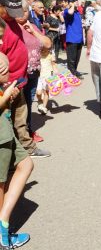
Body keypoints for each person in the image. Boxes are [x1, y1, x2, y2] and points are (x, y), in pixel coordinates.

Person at [0, 0, 50, 158]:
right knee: (6, 125)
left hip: (19, 80)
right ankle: (11, 158)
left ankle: (26, 149)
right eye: (9, 11)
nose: (14, 15)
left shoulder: (11, 21)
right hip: (6, 86)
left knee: (21, 121)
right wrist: (5, 84)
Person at [0, 53, 34, 249]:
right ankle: (3, 233)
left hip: (6, 133)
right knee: (0, 183)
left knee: (26, 164)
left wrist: (6, 95)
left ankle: (3, 222)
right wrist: (5, 97)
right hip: (1, 137)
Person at [16, 0, 52, 143]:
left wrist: (33, 32)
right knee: (19, 106)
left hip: (34, 71)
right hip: (19, 73)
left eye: (25, 11)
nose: (23, 14)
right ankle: (19, 136)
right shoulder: (9, 26)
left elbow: (48, 44)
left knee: (29, 104)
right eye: (20, 11)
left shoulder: (29, 24)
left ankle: (29, 131)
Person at [62, 0, 83, 79]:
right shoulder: (67, 11)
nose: (76, 2)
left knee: (77, 59)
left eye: (76, 1)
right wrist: (72, 5)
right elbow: (70, 12)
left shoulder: (77, 12)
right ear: (69, 3)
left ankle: (74, 72)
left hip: (79, 39)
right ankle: (71, 75)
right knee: (71, 60)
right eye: (74, 1)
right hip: (72, 39)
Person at [36, 47, 56, 115]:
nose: (43, 50)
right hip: (39, 77)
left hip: (48, 77)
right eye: (42, 49)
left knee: (46, 92)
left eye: (45, 49)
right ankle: (39, 101)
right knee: (38, 93)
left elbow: (54, 65)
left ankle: (44, 107)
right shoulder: (38, 55)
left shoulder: (51, 56)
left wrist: (56, 73)